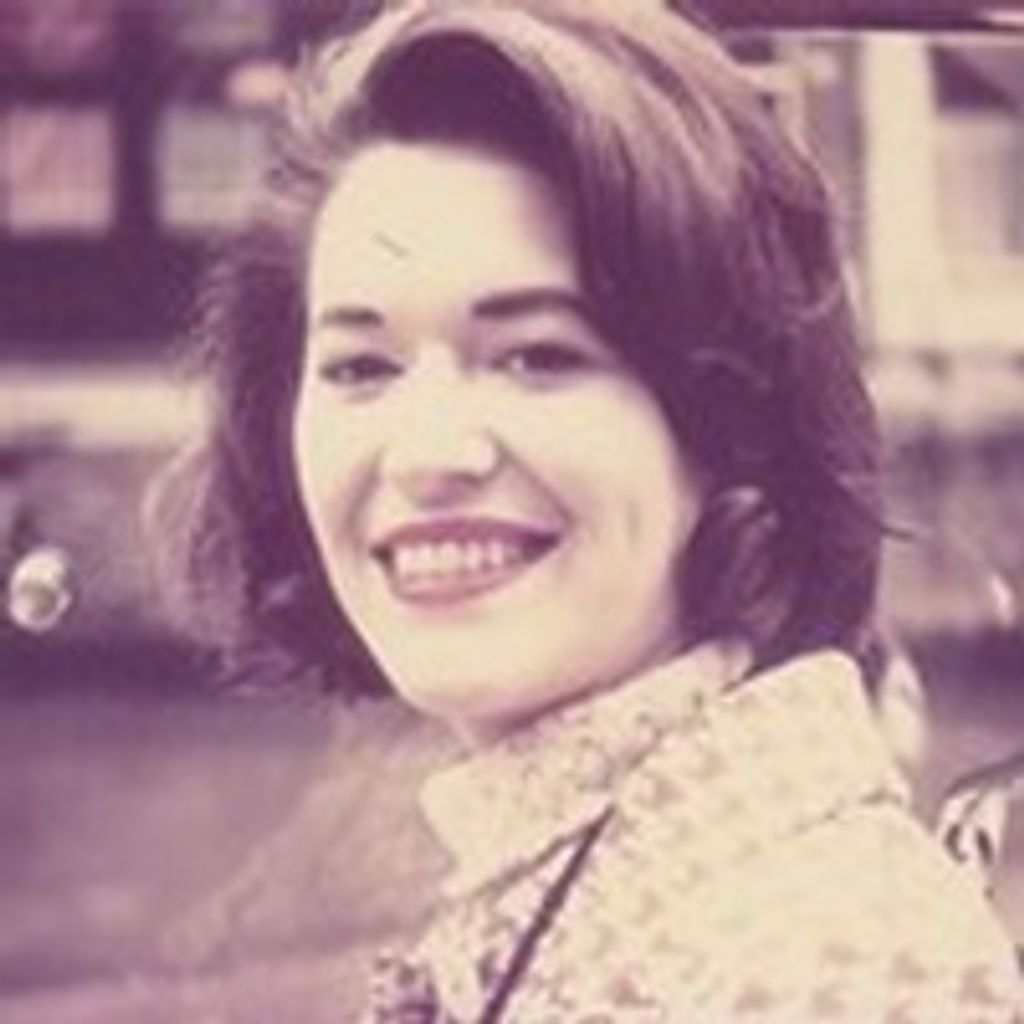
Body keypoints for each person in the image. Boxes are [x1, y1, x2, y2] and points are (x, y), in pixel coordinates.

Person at [150, 0, 1023, 1018]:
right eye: (360, 367)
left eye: (537, 356)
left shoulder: (827, 964)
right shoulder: (594, 865)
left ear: (728, 426)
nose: (427, 453)